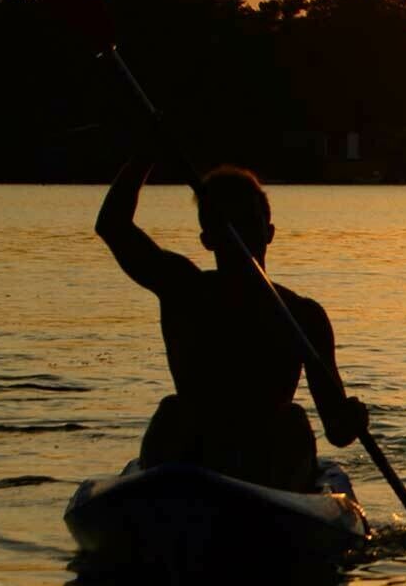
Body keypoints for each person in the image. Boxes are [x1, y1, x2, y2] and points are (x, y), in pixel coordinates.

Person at [96, 161, 368, 492]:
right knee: (173, 411)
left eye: (249, 222)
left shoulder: (303, 315)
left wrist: (350, 417)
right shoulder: (182, 287)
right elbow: (112, 226)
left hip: (267, 461)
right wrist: (144, 158)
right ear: (207, 239)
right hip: (193, 449)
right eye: (229, 224)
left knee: (292, 421)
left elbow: (337, 431)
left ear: (268, 232)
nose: (240, 234)